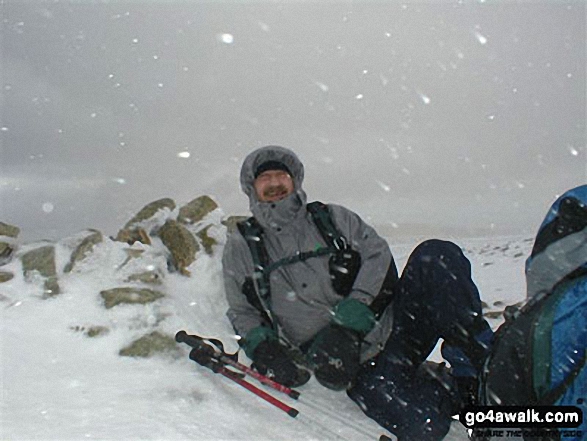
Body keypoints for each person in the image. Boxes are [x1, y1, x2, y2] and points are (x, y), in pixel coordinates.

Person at [222, 145, 494, 440]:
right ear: (251, 187)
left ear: (294, 180)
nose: (274, 183)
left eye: (281, 175)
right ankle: (442, 387)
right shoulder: (243, 246)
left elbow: (377, 256)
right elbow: (242, 309)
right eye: (265, 178)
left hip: (396, 324)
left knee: (436, 256)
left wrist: (349, 324)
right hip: (356, 366)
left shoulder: (332, 218)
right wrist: (265, 348)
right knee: (424, 427)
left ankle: (477, 375)